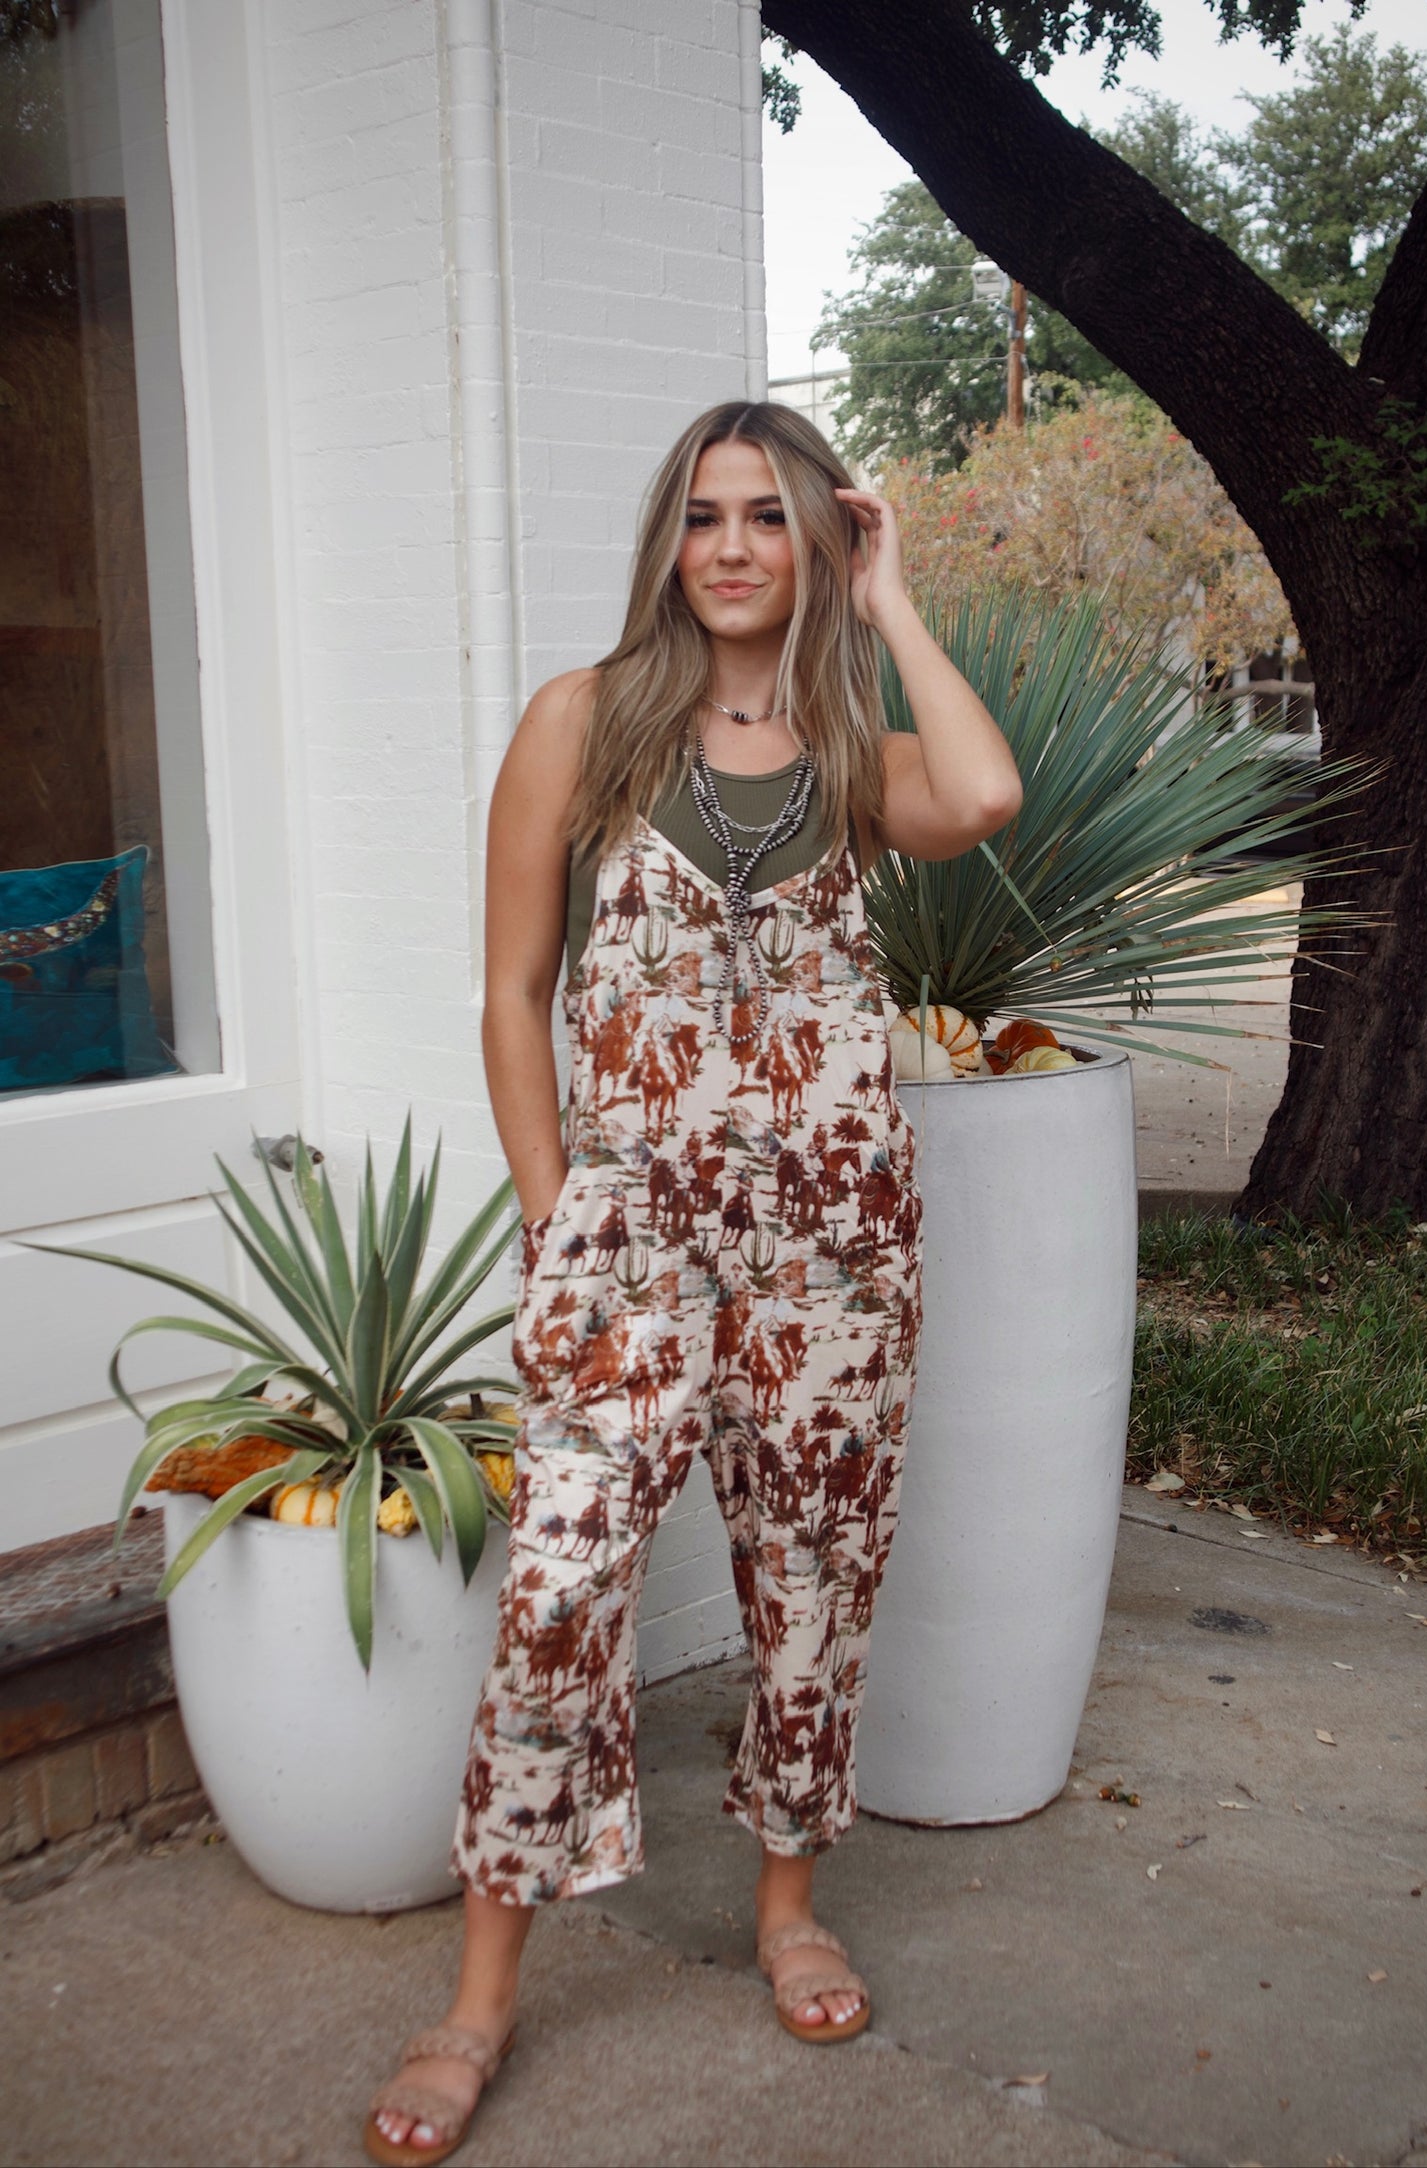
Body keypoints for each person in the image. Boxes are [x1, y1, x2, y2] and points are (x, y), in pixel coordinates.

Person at [365, 401, 1022, 2166]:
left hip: (834, 1259)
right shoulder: (582, 723)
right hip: (631, 1248)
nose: (733, 548)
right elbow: (512, 995)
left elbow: (984, 796)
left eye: (769, 517)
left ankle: (787, 1908)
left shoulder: (852, 750)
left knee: (813, 1585)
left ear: (817, 539)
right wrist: (556, 1220)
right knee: (558, 1592)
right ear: (668, 541)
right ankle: (479, 1998)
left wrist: (888, 601)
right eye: (704, 516)